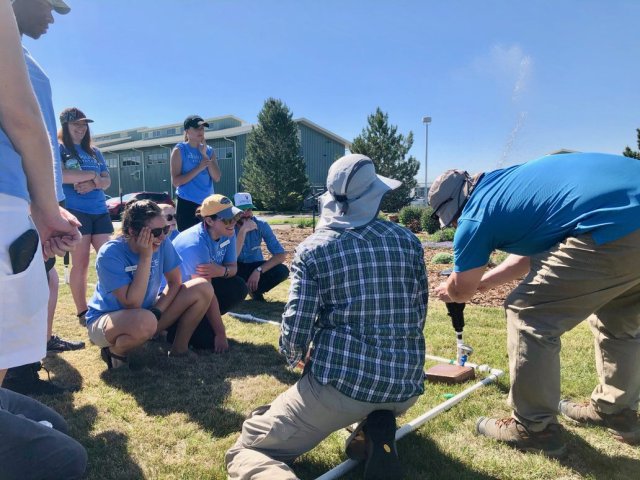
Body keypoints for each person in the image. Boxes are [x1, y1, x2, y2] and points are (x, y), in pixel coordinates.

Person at [226, 154, 428, 480]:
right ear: (375, 195)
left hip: (340, 387)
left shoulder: (314, 248)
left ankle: (362, 422)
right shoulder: (407, 240)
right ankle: (375, 428)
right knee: (350, 405)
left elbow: (295, 330)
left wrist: (295, 359)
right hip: (405, 385)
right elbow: (419, 311)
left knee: (248, 448)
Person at [430, 152, 640, 457]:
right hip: (625, 216)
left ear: (456, 207)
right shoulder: (504, 188)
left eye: (452, 221)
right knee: (618, 315)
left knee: (528, 312)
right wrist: (485, 283)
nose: (454, 227)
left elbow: (462, 289)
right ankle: (616, 410)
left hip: (616, 224)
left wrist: (451, 288)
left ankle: (533, 427)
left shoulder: (475, 214)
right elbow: (526, 260)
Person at [0, 1, 87, 478]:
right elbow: (22, 121)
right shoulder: (9, 40)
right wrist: (46, 210)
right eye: (48, 3)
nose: (54, 15)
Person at [85, 200, 213, 369]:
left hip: (148, 314)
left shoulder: (162, 242)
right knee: (145, 320)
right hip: (106, 321)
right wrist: (146, 257)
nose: (163, 236)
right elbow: (132, 303)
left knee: (202, 287)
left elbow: (175, 282)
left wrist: (158, 310)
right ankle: (115, 352)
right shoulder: (110, 253)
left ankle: (179, 349)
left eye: (165, 229)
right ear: (132, 231)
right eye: (156, 232)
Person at [58, 107, 114, 325]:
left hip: (100, 210)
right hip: (76, 211)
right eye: (76, 125)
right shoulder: (60, 149)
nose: (81, 129)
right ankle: (83, 311)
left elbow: (107, 181)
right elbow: (63, 176)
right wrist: (93, 175)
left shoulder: (94, 151)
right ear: (65, 126)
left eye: (83, 125)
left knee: (108, 259)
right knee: (80, 263)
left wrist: (92, 182)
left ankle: (108, 303)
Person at [171, 194, 247, 353]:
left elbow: (233, 268)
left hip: (200, 291)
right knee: (206, 340)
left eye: (234, 216)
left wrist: (221, 270)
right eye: (227, 219)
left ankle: (202, 323)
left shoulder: (228, 232)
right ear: (209, 221)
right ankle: (172, 330)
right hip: (175, 299)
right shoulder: (195, 243)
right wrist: (220, 332)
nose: (233, 222)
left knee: (238, 286)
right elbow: (206, 292)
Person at [233, 192, 289, 302]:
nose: (246, 214)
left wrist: (258, 270)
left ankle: (255, 290)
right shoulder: (228, 227)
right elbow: (231, 259)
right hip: (235, 267)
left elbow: (281, 255)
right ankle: (241, 290)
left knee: (282, 271)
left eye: (249, 209)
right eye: (242, 211)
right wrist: (243, 231)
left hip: (255, 266)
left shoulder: (261, 225)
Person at [170, 115, 221, 232]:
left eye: (202, 128)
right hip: (187, 204)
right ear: (187, 131)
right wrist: (199, 167)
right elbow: (176, 182)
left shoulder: (209, 150)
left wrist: (205, 155)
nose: (200, 131)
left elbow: (216, 177)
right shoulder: (179, 150)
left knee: (209, 241)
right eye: (197, 128)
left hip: (208, 205)